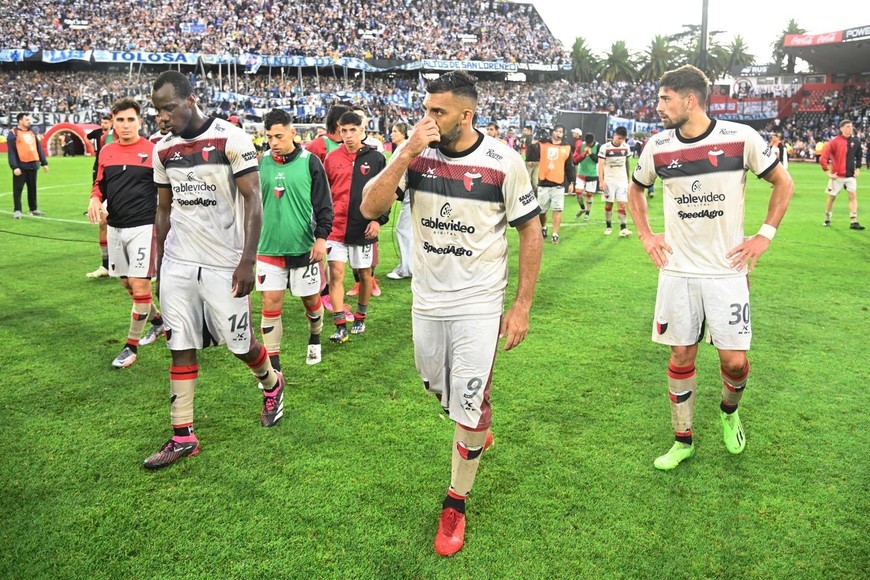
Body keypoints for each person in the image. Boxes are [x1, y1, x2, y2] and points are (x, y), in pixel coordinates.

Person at [360, 70, 543, 556]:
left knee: (467, 396)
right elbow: (369, 209)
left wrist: (520, 306)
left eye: (438, 112)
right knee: (440, 390)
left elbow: (530, 231)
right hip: (428, 299)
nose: (429, 119)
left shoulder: (503, 162)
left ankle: (455, 503)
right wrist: (403, 154)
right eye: (426, 110)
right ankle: (476, 426)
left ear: (467, 114)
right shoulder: (415, 159)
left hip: (480, 303)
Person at [628, 65, 794, 471]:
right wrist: (647, 234)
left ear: (690, 99)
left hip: (726, 272)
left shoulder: (740, 138)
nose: (659, 106)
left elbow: (783, 183)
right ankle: (682, 440)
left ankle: (728, 410)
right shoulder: (658, 146)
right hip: (678, 271)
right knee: (682, 355)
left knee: (734, 362)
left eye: (665, 98)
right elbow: (635, 188)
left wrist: (764, 235)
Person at [144, 71, 284, 470]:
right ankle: (182, 434)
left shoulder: (230, 138)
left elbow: (254, 201)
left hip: (226, 262)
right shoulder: (163, 150)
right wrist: (159, 266)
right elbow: (164, 209)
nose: (162, 117)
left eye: (168, 108)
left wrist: (247, 259)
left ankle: (272, 383)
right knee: (180, 343)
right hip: (179, 261)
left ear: (191, 99)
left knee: (241, 345)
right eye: (157, 110)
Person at [86, 98, 165, 368]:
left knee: (140, 285)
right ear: (113, 122)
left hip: (144, 227)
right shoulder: (106, 151)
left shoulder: (153, 151)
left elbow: (168, 191)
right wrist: (95, 199)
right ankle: (158, 321)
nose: (126, 125)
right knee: (126, 283)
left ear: (140, 122)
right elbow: (99, 185)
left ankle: (130, 347)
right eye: (120, 120)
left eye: (131, 119)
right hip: (116, 228)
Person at [256, 108, 333, 368]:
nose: (274, 142)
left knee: (311, 302)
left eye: (279, 136)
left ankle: (314, 337)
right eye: (269, 137)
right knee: (270, 304)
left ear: (292, 133)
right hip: (268, 247)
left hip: (304, 247)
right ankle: (273, 365)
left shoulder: (310, 162)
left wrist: (321, 238)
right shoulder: (260, 161)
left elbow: (324, 204)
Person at [323, 111, 390, 343]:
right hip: (335, 227)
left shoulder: (376, 158)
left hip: (362, 228)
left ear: (363, 130)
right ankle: (340, 324)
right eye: (344, 131)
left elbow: (386, 192)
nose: (348, 135)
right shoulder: (331, 159)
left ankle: (360, 317)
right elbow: (323, 194)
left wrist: (377, 220)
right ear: (339, 131)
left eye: (353, 130)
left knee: (364, 275)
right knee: (336, 274)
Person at [85, 114, 115, 278]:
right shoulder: (103, 138)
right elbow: (101, 168)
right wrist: (95, 196)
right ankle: (106, 265)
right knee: (103, 222)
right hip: (108, 185)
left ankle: (145, 266)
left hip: (127, 189)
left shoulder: (140, 141)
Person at [820, 119, 864, 230]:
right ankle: (827, 218)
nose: (850, 128)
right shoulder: (835, 141)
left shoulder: (855, 142)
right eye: (847, 126)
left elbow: (859, 156)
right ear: (841, 128)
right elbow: (823, 157)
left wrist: (858, 169)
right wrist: (827, 172)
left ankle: (853, 221)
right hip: (837, 176)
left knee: (853, 196)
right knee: (832, 197)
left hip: (850, 176)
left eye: (851, 126)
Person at [537, 124, 574, 244]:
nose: (558, 133)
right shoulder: (543, 144)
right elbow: (531, 153)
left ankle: (555, 234)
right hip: (543, 182)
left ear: (563, 134)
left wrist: (572, 182)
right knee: (541, 212)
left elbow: (569, 166)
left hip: (558, 183)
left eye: (561, 132)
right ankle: (543, 227)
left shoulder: (566, 147)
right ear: (552, 132)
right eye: (557, 131)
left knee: (557, 209)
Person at [7, 113, 48, 219]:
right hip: (21, 166)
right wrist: (14, 167)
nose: (29, 121)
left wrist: (44, 163)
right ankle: (17, 210)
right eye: (27, 119)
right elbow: (11, 152)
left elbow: (38, 148)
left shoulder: (32, 132)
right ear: (20, 121)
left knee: (32, 188)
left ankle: (33, 209)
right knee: (18, 189)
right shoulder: (13, 133)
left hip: (33, 165)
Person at [386, 122, 412, 280]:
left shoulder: (404, 149)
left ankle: (406, 269)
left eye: (395, 131)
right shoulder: (403, 148)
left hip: (410, 192)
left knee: (404, 230)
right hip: (410, 192)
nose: (392, 134)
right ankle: (408, 267)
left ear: (403, 134)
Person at [597, 126, 633, 237]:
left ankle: (623, 228)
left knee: (622, 204)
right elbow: (601, 165)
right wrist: (601, 180)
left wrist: (629, 177)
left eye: (622, 139)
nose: (620, 140)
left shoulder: (626, 147)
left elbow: (627, 163)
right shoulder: (605, 147)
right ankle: (608, 226)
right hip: (609, 180)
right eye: (619, 138)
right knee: (609, 204)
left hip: (622, 180)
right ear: (614, 135)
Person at [573, 132, 599, 222]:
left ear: (593, 141)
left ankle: (587, 213)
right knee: (578, 192)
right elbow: (575, 159)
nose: (588, 145)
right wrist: (584, 153)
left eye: (590, 144)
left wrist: (591, 154)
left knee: (589, 195)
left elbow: (598, 160)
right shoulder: (581, 146)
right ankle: (583, 208)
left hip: (593, 173)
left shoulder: (598, 146)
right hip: (581, 173)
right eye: (587, 143)